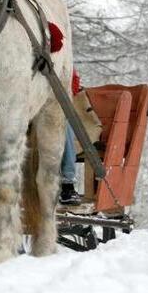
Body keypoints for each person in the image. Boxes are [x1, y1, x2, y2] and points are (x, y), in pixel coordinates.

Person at [59, 69, 83, 206]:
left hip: (53, 103)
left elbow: (73, 83)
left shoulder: (63, 54)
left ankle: (67, 184)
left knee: (64, 124)